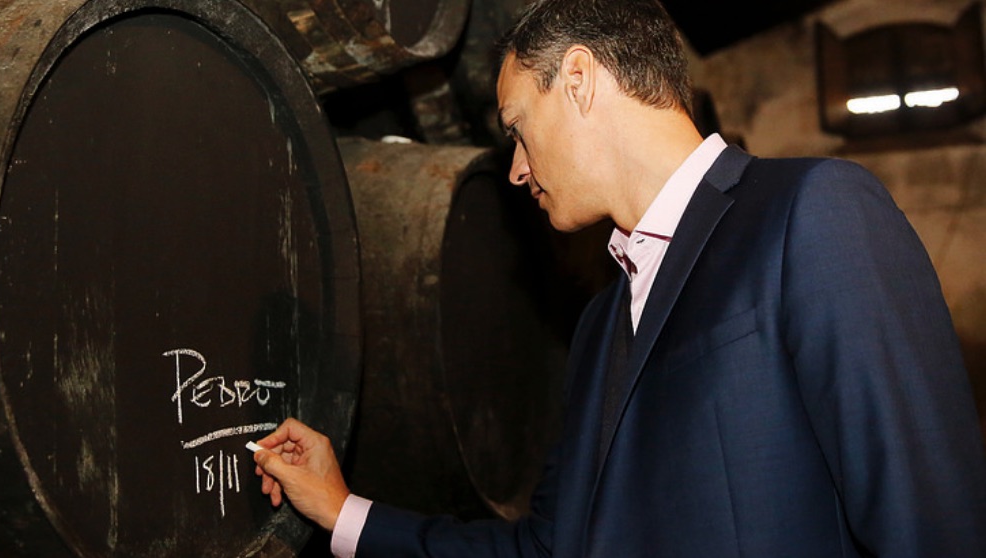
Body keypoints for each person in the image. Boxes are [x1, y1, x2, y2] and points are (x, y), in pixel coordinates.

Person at [253, 0, 986, 556]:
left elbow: (927, 522)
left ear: (578, 80)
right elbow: (551, 546)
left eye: (516, 126)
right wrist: (341, 509)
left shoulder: (812, 211)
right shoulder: (602, 324)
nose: (514, 168)